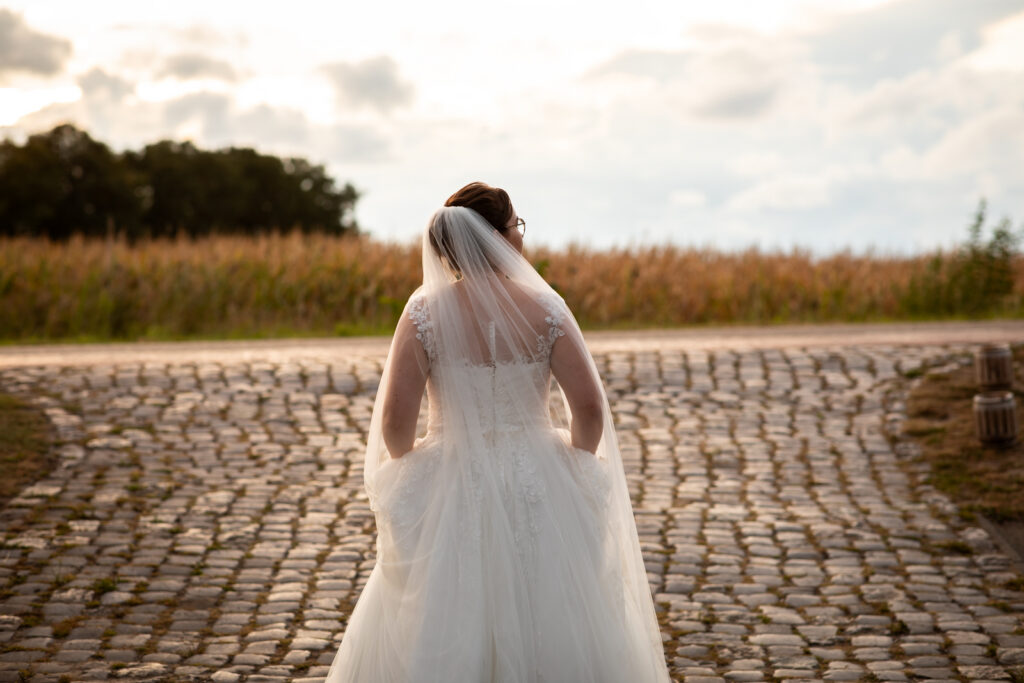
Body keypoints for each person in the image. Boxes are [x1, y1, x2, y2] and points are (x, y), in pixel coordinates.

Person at [325, 182, 670, 682]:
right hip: (537, 479)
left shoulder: (423, 312)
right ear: (497, 237)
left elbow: (395, 426)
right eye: (517, 226)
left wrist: (420, 459)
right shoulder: (546, 308)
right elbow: (590, 408)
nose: (520, 236)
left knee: (441, 616)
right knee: (549, 612)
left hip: (452, 476)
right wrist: (572, 463)